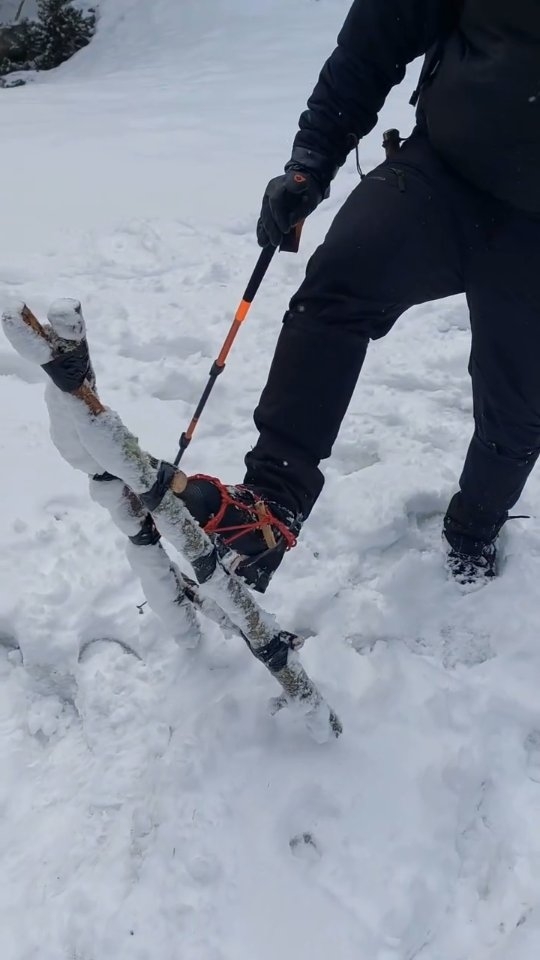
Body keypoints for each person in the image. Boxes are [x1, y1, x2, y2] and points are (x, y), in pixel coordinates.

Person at [180, 0, 540, 592]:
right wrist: (312, 159)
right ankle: (270, 506)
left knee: (519, 409)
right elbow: (374, 40)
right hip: (445, 176)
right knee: (340, 280)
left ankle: (474, 531)